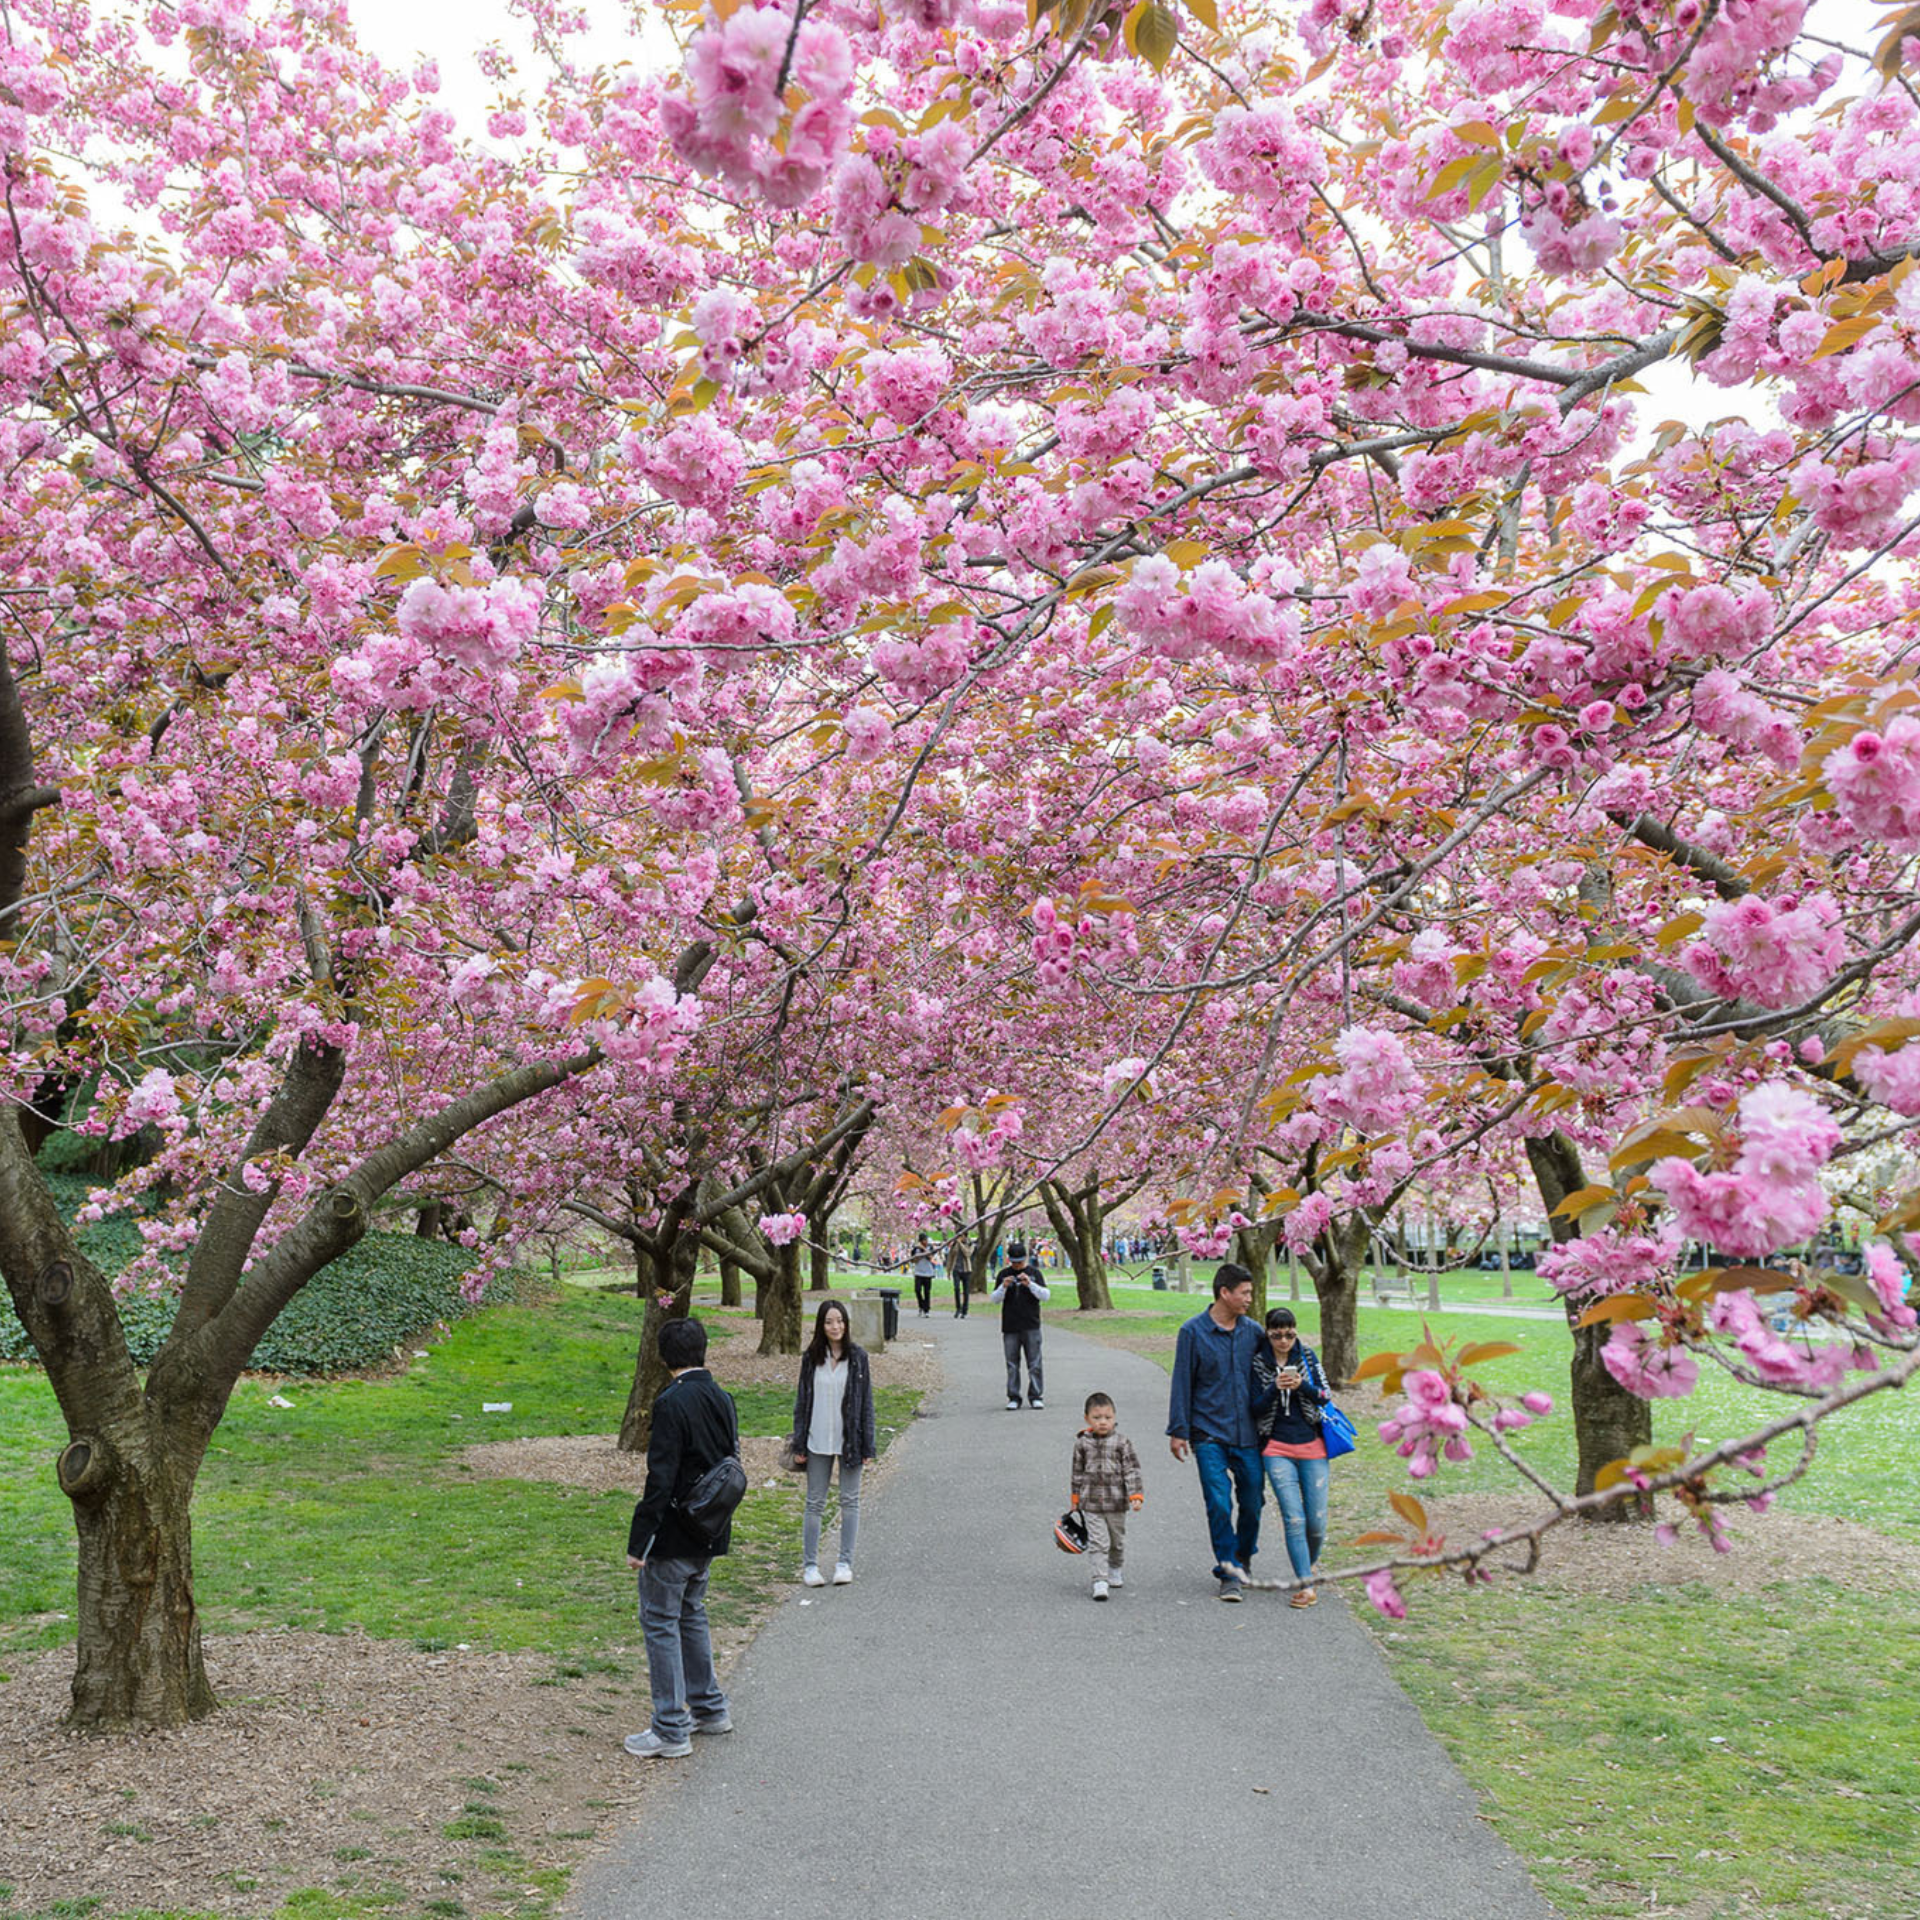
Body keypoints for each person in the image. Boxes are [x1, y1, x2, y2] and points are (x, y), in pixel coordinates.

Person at [624, 1316, 736, 1758]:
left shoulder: (672, 1402)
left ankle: (671, 1727)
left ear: (663, 1356)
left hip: (675, 1532)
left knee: (660, 1621)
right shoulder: (722, 1397)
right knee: (691, 1614)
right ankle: (709, 1708)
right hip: (711, 1526)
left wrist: (640, 1541)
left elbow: (661, 1478)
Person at [1166, 1263, 1264, 1601]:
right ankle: (1229, 1571)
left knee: (1253, 1501)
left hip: (1248, 1433)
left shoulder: (1254, 1332)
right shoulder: (1192, 1332)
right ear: (1225, 1292)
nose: (1249, 1299)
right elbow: (1182, 1382)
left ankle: (1243, 1555)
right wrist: (1178, 1430)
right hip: (1208, 1432)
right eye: (1244, 1293)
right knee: (1219, 1503)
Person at [789, 1297, 876, 1587]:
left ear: (846, 1324)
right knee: (814, 1502)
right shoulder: (811, 1358)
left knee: (850, 1501)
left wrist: (868, 1445)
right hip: (816, 1439)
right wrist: (799, 1443)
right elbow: (802, 1403)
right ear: (821, 1325)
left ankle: (844, 1563)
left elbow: (866, 1404)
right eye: (829, 1322)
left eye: (839, 1321)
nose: (835, 1326)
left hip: (850, 1440)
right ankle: (810, 1566)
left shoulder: (858, 1357)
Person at [1249, 1307, 1332, 1608]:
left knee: (1316, 1522)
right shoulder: (1258, 1362)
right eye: (1277, 1335)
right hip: (1277, 1448)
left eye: (1289, 1334)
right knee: (1294, 1519)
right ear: (1268, 1334)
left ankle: (1308, 1565)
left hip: (1312, 1446)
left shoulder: (1307, 1357)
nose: (1284, 1341)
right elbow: (1254, 1407)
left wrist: (1302, 1386)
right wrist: (1274, 1388)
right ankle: (1305, 1584)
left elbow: (1325, 1396)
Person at [1069, 1392, 1144, 1601]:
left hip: (1117, 1503)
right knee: (1098, 1542)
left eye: (1107, 1417)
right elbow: (1077, 1473)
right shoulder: (1082, 1444)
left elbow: (1132, 1469)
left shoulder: (1122, 1443)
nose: (1102, 1422)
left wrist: (1135, 1494)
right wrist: (1075, 1498)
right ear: (1087, 1419)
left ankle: (1115, 1568)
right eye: (1097, 1417)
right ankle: (1099, 1580)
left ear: (1114, 1417)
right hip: (1091, 1503)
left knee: (1116, 1542)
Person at [989, 1241, 1050, 1409]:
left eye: (1020, 1262)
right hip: (1010, 1326)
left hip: (1031, 1324)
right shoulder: (1003, 1274)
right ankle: (1014, 1397)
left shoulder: (1034, 1273)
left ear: (1025, 1259)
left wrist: (1030, 1284)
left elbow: (1045, 1296)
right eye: (1014, 1262)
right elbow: (994, 1299)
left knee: (1035, 1363)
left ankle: (1036, 1395)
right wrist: (1003, 1286)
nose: (1017, 1265)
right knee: (1012, 1364)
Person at [908, 1234, 938, 1318]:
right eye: (924, 1240)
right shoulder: (916, 1249)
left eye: (926, 1240)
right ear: (921, 1241)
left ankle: (926, 1310)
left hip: (928, 1273)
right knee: (917, 1290)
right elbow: (913, 1260)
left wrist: (924, 1249)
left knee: (927, 1292)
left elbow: (930, 1257)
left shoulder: (930, 1247)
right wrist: (918, 1254)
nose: (926, 1242)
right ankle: (921, 1305)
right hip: (918, 1272)